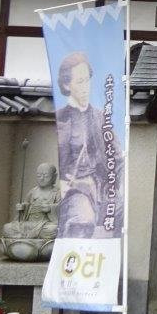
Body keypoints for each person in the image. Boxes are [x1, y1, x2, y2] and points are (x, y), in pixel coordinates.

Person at [54, 51, 124, 239]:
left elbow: (117, 158)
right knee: (83, 220)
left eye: (87, 80)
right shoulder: (60, 119)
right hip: (76, 188)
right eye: (79, 82)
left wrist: (118, 186)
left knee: (123, 209)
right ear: (66, 85)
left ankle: (111, 263)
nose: (86, 87)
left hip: (102, 186)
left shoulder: (101, 117)